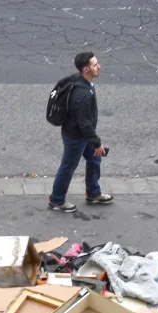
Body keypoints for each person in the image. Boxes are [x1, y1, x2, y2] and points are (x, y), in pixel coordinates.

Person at [48, 52, 114, 213]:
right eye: (95, 65)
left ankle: (93, 193)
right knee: (68, 167)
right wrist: (97, 143)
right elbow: (84, 124)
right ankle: (57, 199)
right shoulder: (82, 94)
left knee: (94, 159)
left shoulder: (81, 81)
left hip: (82, 134)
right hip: (76, 136)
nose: (99, 67)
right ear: (86, 69)